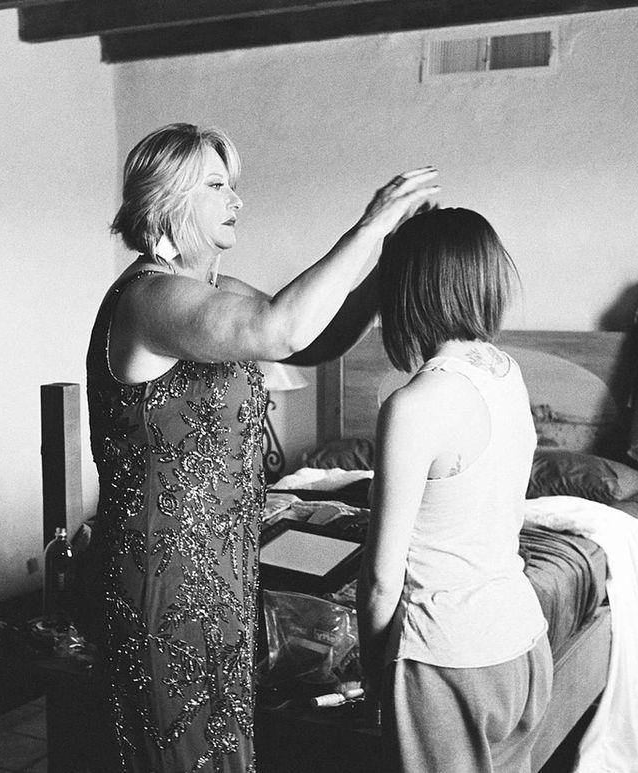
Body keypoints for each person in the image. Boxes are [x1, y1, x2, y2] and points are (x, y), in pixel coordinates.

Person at [84, 122, 437, 772]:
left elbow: (312, 339)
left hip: (222, 561)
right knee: (176, 748)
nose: (236, 199)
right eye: (216, 185)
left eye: (233, 185)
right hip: (162, 571)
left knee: (220, 743)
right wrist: (368, 227)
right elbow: (278, 330)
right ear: (168, 197)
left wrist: (392, 253)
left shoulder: (216, 290)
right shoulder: (149, 297)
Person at [357, 207, 552, 772]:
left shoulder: (414, 407)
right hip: (522, 639)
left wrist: (374, 672)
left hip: (447, 657)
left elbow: (379, 580)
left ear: (405, 291)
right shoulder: (504, 370)